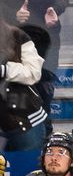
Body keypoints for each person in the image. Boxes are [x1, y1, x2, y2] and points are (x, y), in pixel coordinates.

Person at [0, 13, 45, 151]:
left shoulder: (18, 36)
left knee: (28, 170)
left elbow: (33, 72)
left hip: (25, 122)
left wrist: (4, 70)